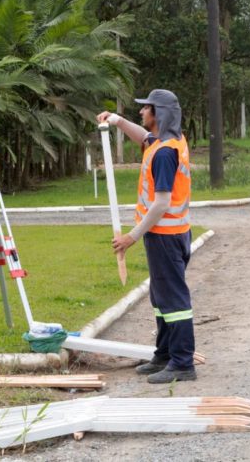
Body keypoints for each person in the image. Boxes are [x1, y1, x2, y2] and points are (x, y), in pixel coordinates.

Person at [96, 89, 196, 384]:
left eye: (146, 108)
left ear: (159, 114)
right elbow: (143, 137)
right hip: (170, 234)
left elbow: (162, 202)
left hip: (165, 235)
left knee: (174, 300)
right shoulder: (168, 141)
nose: (142, 112)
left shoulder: (165, 153)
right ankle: (164, 355)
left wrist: (132, 236)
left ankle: (182, 363)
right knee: (161, 297)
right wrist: (117, 120)